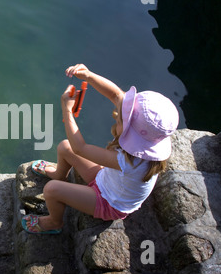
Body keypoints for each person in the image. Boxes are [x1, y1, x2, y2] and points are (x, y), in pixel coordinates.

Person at [22, 64, 179, 234]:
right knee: (65, 147)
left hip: (109, 202)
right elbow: (116, 94)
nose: (117, 116)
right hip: (106, 179)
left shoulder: (130, 161)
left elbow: (80, 148)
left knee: (52, 190)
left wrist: (66, 110)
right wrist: (88, 76)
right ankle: (60, 174)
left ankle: (54, 222)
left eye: (120, 121)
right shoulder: (146, 141)